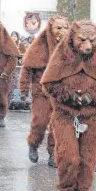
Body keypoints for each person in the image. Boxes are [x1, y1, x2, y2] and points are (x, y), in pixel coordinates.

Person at [41, 21, 96, 191]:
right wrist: (68, 96)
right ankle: (67, 189)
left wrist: (93, 96)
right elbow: (49, 83)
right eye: (82, 40)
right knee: (68, 156)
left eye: (91, 40)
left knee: (88, 158)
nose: (87, 45)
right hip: (65, 114)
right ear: (73, 38)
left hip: (92, 116)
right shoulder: (61, 56)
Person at [19, 16, 69, 167]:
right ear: (51, 30)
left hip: (61, 93)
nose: (63, 31)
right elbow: (27, 68)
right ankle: (33, 144)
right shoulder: (39, 46)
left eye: (66, 27)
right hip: (41, 92)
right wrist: (23, 89)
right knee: (40, 122)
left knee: (58, 125)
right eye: (58, 28)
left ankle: (53, 154)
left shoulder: (72, 48)